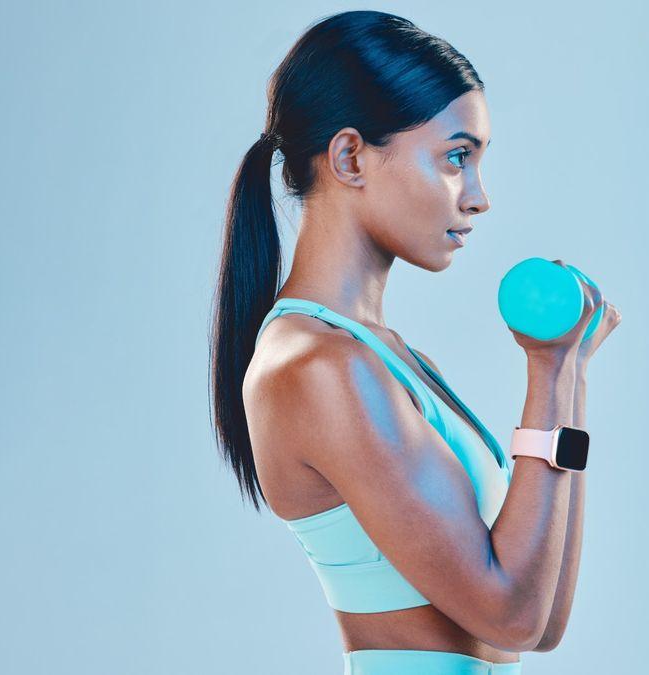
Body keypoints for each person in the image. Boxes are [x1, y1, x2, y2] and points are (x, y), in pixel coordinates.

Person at [207, 11, 620, 674]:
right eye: (457, 157)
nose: (479, 197)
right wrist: (546, 373)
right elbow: (509, 614)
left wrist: (569, 371)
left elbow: (541, 625)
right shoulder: (319, 366)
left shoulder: (390, 360)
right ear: (350, 157)